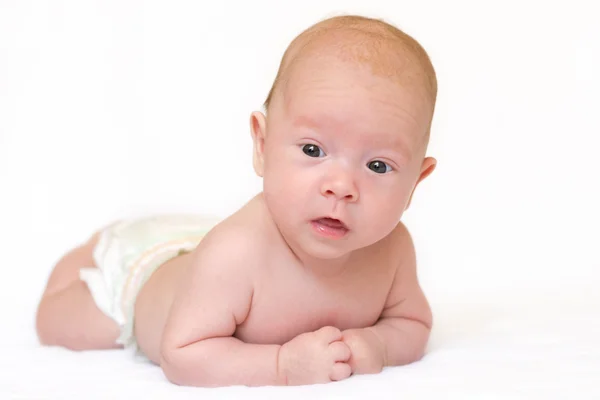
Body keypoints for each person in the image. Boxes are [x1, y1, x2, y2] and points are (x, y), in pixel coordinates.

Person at [35, 14, 438, 387]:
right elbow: (181, 355)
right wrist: (281, 366)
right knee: (60, 326)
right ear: (262, 146)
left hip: (197, 253)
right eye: (313, 150)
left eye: (379, 166)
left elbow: (412, 323)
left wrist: (380, 345)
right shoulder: (236, 253)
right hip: (140, 284)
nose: (341, 186)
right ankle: (90, 252)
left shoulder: (392, 249)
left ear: (415, 183)